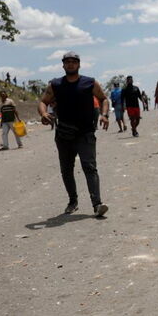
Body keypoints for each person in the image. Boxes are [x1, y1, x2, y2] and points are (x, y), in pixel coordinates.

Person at [38, 51, 110, 217]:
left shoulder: (89, 82)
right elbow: (43, 102)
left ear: (79, 64)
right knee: (66, 169)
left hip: (85, 133)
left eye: (73, 61)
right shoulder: (55, 85)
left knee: (89, 167)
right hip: (64, 134)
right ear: (63, 65)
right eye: (67, 62)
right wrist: (43, 114)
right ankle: (73, 201)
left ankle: (97, 204)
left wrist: (104, 115)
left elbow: (103, 98)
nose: (70, 64)